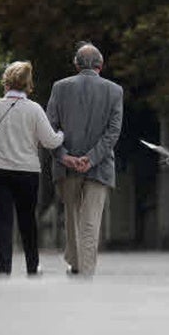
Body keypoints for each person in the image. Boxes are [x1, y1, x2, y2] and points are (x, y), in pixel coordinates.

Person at [0, 61, 64, 276]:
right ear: (28, 84)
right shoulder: (34, 109)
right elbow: (51, 141)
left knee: (2, 220)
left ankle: (3, 269)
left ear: (6, 83)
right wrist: (62, 134)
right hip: (26, 172)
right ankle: (32, 267)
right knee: (27, 219)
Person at [46, 42, 123, 277]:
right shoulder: (115, 90)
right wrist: (91, 159)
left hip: (66, 167)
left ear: (76, 64)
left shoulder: (60, 88)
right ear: (101, 65)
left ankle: (77, 264)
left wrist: (65, 157)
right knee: (91, 221)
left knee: (72, 217)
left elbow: (49, 128)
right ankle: (86, 269)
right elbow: (113, 132)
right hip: (99, 167)